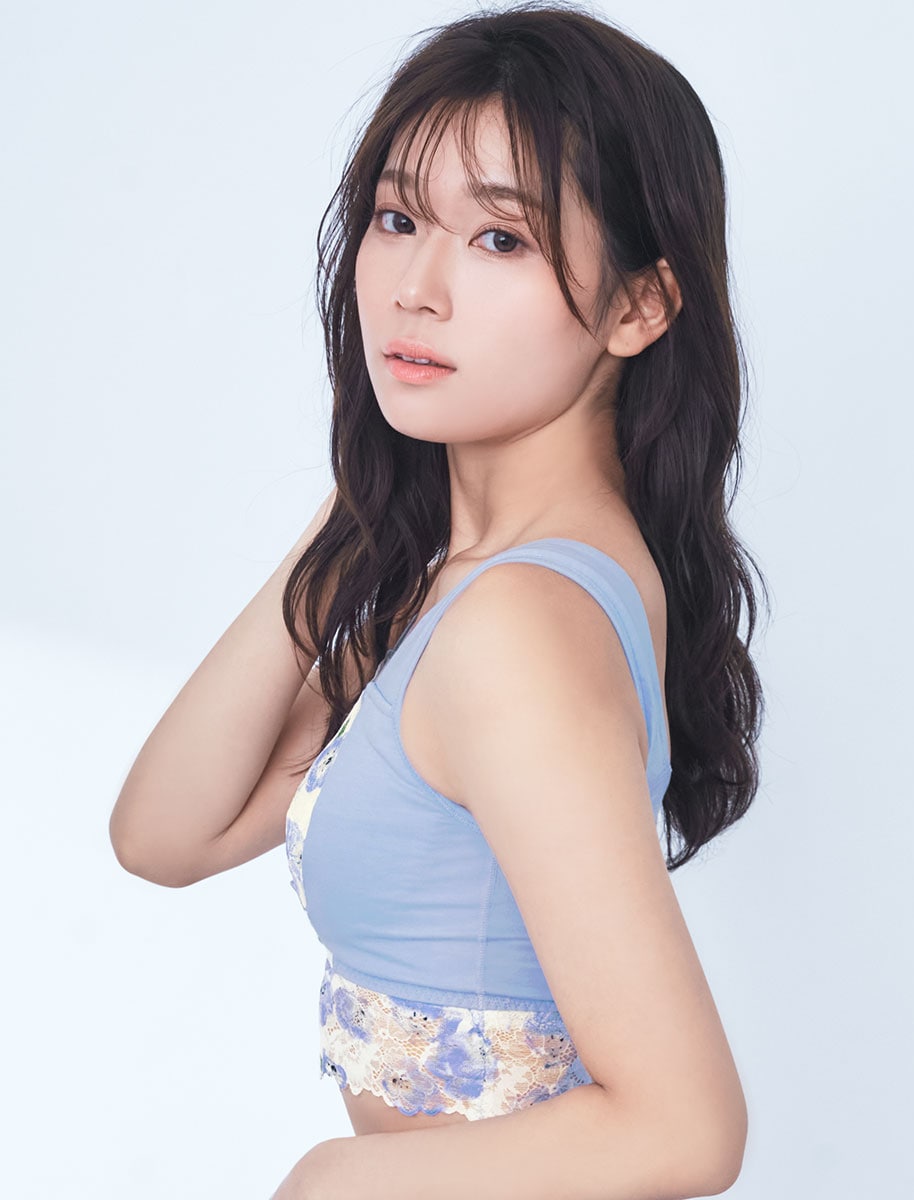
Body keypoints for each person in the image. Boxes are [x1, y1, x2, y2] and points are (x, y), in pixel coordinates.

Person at [110, 3, 767, 1195]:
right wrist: (360, 510)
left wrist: (328, 1180)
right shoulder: (459, 588)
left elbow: (684, 1130)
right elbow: (166, 833)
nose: (416, 287)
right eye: (398, 217)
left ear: (638, 306)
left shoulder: (517, 628)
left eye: (500, 240)